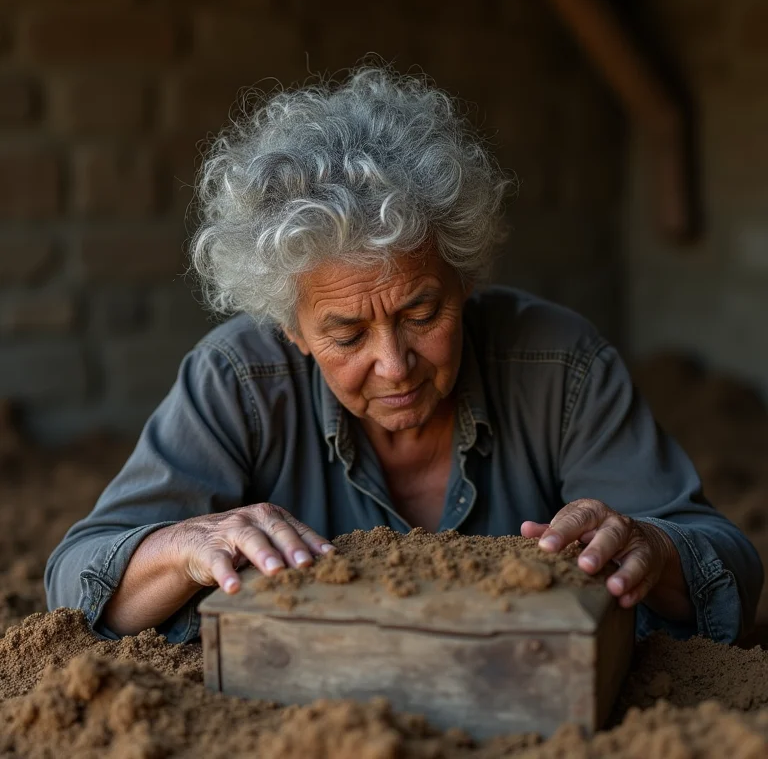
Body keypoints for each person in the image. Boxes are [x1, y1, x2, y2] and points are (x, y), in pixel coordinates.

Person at [46, 67, 762, 645]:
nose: (395, 365)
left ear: (467, 278)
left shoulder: (560, 365)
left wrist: (648, 547)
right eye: (348, 335)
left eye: (423, 313)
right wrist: (181, 545)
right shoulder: (237, 379)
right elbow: (75, 578)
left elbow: (724, 561)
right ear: (289, 329)